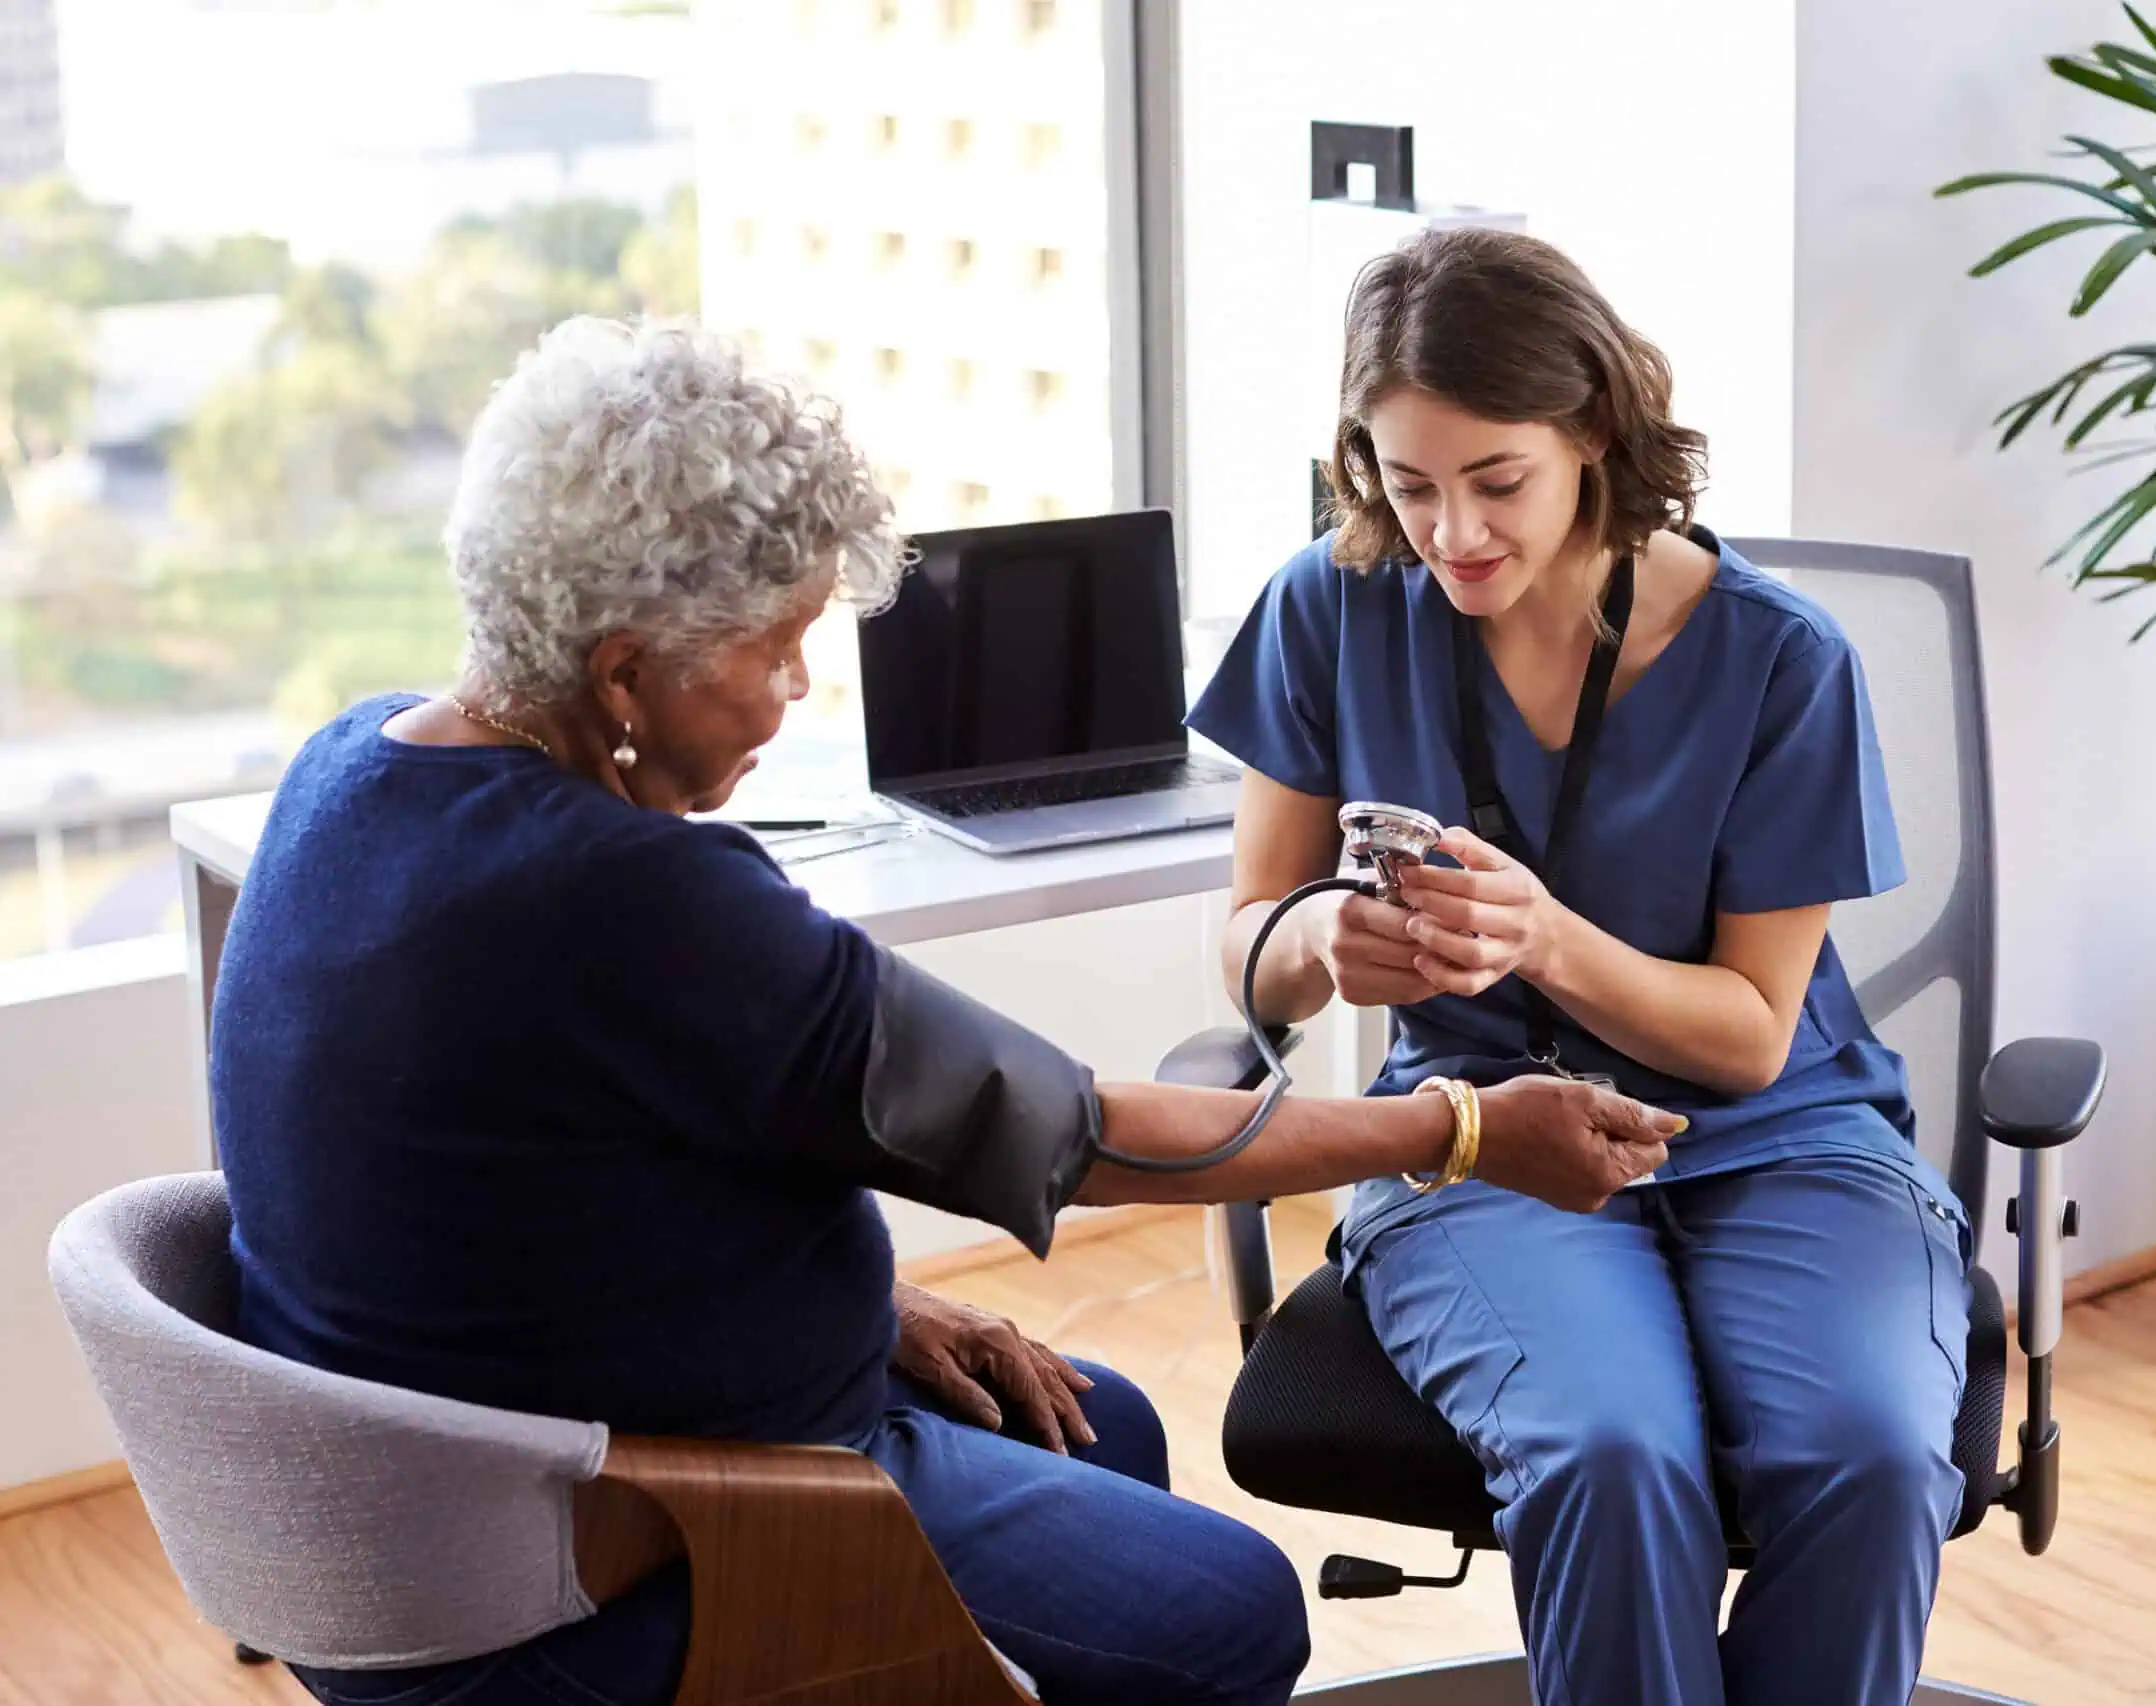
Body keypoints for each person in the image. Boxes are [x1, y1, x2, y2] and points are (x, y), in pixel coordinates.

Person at [211, 315, 1680, 1706]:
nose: (797, 689)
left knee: (1105, 1422)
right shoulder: (640, 900)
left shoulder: (351, 772)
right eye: (777, 650)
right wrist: (1461, 1125)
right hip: (610, 1555)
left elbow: (531, 1185)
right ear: (623, 672)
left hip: (446, 1505)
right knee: (1235, 1611)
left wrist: (870, 1304)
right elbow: (1079, 1132)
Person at [1185, 227, 1974, 1705]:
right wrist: (1317, 945)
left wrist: (1540, 932)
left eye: (1497, 482)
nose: (1451, 535)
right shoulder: (1332, 605)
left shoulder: (1781, 660)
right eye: (1408, 485)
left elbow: (1748, 1035)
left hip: (1778, 1138)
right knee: (1609, 1451)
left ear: (1594, 431)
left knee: (1865, 1459)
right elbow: (1248, 938)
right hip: (1478, 1139)